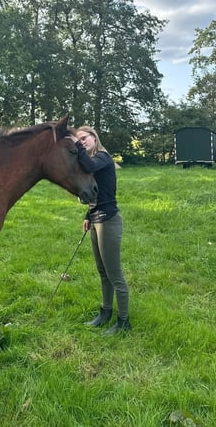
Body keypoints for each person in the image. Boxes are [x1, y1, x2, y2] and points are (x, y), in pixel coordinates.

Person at [71, 125, 131, 335]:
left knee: (115, 274)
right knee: (102, 272)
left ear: (94, 138)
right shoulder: (92, 163)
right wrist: (88, 216)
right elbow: (94, 194)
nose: (82, 142)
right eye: (79, 140)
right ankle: (105, 313)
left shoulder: (103, 158)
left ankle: (123, 322)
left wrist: (75, 145)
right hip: (96, 219)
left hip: (109, 220)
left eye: (85, 138)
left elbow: (89, 165)